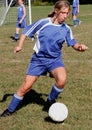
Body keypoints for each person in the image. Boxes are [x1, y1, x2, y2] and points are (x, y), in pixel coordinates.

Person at [0, 0, 88, 117]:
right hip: (38, 60)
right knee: (26, 86)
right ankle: (10, 110)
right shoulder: (43, 23)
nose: (66, 16)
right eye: (63, 13)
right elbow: (26, 31)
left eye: (67, 13)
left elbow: (73, 44)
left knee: (62, 80)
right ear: (56, 11)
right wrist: (19, 45)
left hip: (54, 60)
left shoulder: (66, 29)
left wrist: (80, 47)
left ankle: (50, 100)